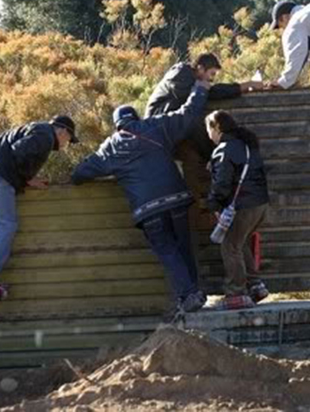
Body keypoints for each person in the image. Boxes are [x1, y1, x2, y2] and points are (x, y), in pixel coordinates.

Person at [71, 82, 210, 317]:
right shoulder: (156, 126)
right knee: (184, 247)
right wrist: (200, 89)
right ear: (135, 116)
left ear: (116, 125)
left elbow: (81, 173)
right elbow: (186, 114)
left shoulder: (111, 147)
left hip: (148, 209)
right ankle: (193, 293)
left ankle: (187, 295)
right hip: (177, 199)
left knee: (167, 251)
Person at [0, 115, 79, 299]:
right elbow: (19, 153)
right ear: (62, 131)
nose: (66, 144)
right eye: (68, 140)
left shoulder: (35, 129)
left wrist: (24, 180)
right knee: (6, 224)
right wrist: (27, 178)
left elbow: (14, 152)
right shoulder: (45, 136)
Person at [145, 53, 263, 162]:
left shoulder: (192, 81)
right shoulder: (180, 75)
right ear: (200, 69)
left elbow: (210, 91)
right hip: (158, 127)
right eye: (211, 74)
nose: (212, 79)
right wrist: (246, 85)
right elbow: (207, 94)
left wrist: (242, 86)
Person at [205, 110, 270, 310]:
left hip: (241, 205)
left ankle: (236, 295)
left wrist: (213, 205)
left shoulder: (224, 149)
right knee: (239, 243)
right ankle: (255, 286)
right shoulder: (247, 146)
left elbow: (223, 183)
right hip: (260, 204)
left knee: (229, 246)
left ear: (217, 127)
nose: (208, 135)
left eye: (208, 129)